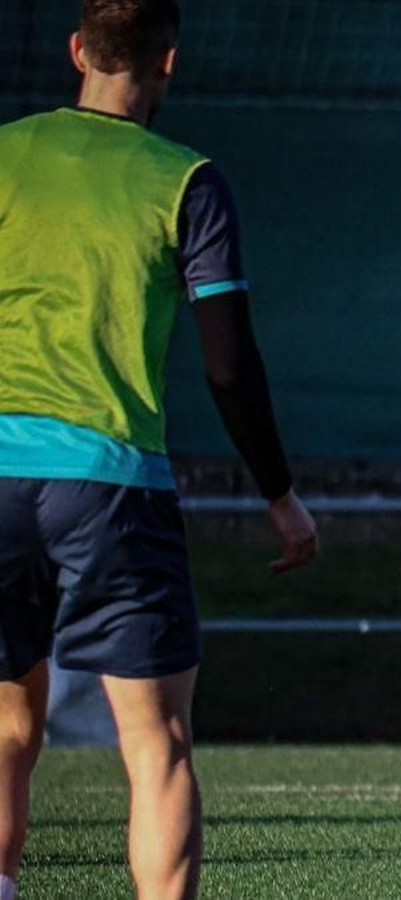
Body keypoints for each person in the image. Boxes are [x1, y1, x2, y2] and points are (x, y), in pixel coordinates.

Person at [0, 1, 318, 897]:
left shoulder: (6, 154)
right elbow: (228, 366)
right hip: (107, 486)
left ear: (76, 51)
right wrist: (279, 494)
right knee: (158, 744)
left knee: (4, 731)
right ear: (168, 60)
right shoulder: (188, 181)